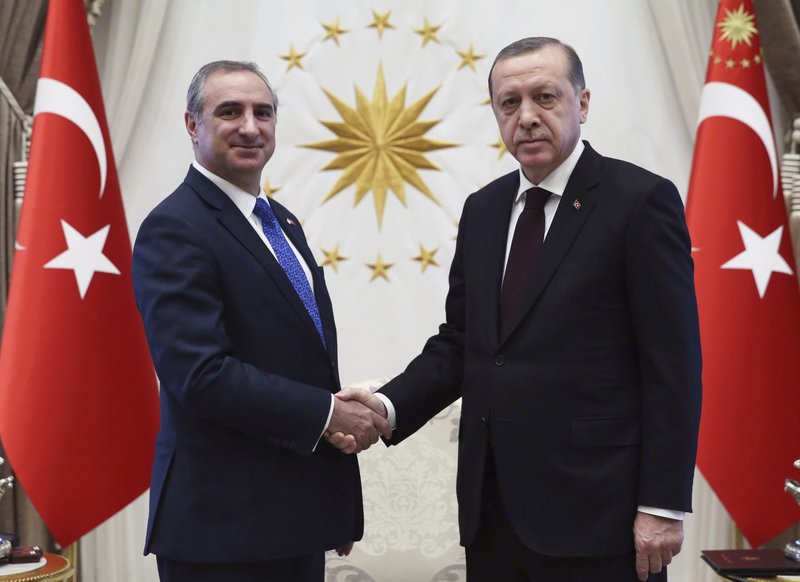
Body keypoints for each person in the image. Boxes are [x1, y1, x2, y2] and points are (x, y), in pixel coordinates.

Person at [331, 37, 702, 581]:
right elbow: (464, 343)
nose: (526, 117)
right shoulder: (483, 210)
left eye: (545, 98)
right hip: (494, 514)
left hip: (602, 517)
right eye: (509, 103)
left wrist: (662, 506)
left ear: (583, 103)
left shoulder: (640, 202)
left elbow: (673, 366)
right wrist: (386, 407)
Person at [132, 60, 389, 582]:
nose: (250, 126)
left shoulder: (279, 223)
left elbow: (303, 362)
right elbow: (201, 375)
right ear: (192, 125)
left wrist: (328, 499)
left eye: (262, 112)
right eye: (230, 111)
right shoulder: (174, 227)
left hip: (292, 521)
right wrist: (331, 414)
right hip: (223, 534)